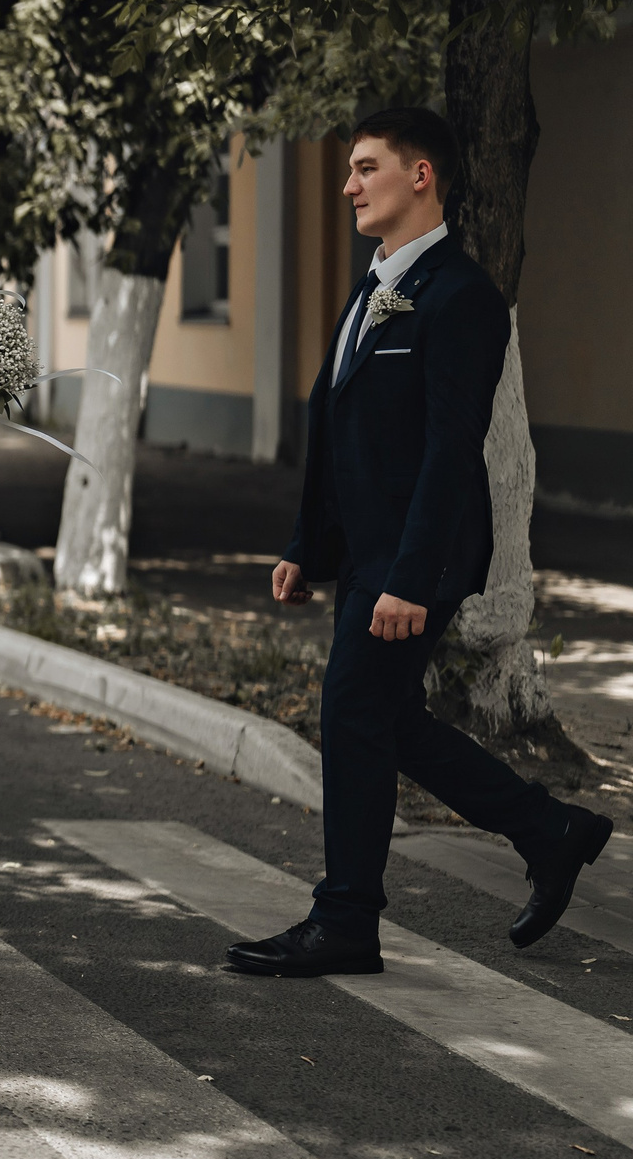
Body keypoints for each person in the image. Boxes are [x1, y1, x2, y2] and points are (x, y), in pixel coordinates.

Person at [232, 106, 612, 978]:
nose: (349, 185)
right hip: (369, 555)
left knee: (353, 713)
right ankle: (553, 830)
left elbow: (450, 450)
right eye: (351, 170)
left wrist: (408, 579)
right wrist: (306, 545)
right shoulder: (371, 289)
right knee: (387, 719)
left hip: (420, 557)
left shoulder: (464, 297)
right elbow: (339, 430)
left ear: (421, 176)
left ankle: (346, 921)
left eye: (366, 168)